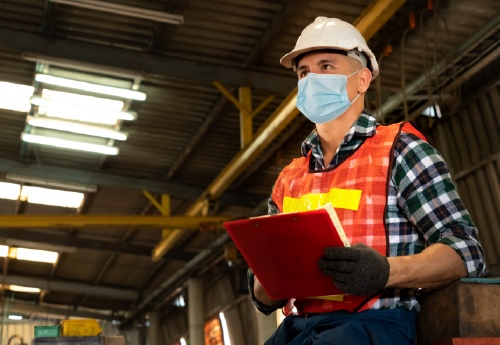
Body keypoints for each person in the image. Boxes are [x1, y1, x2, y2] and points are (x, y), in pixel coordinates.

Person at [247, 17, 485, 345]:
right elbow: (264, 294)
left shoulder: (400, 149)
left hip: (374, 326)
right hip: (300, 330)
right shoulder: (290, 179)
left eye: (326, 65)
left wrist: (384, 272)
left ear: (362, 80)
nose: (311, 78)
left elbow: (466, 252)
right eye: (303, 72)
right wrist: (267, 276)